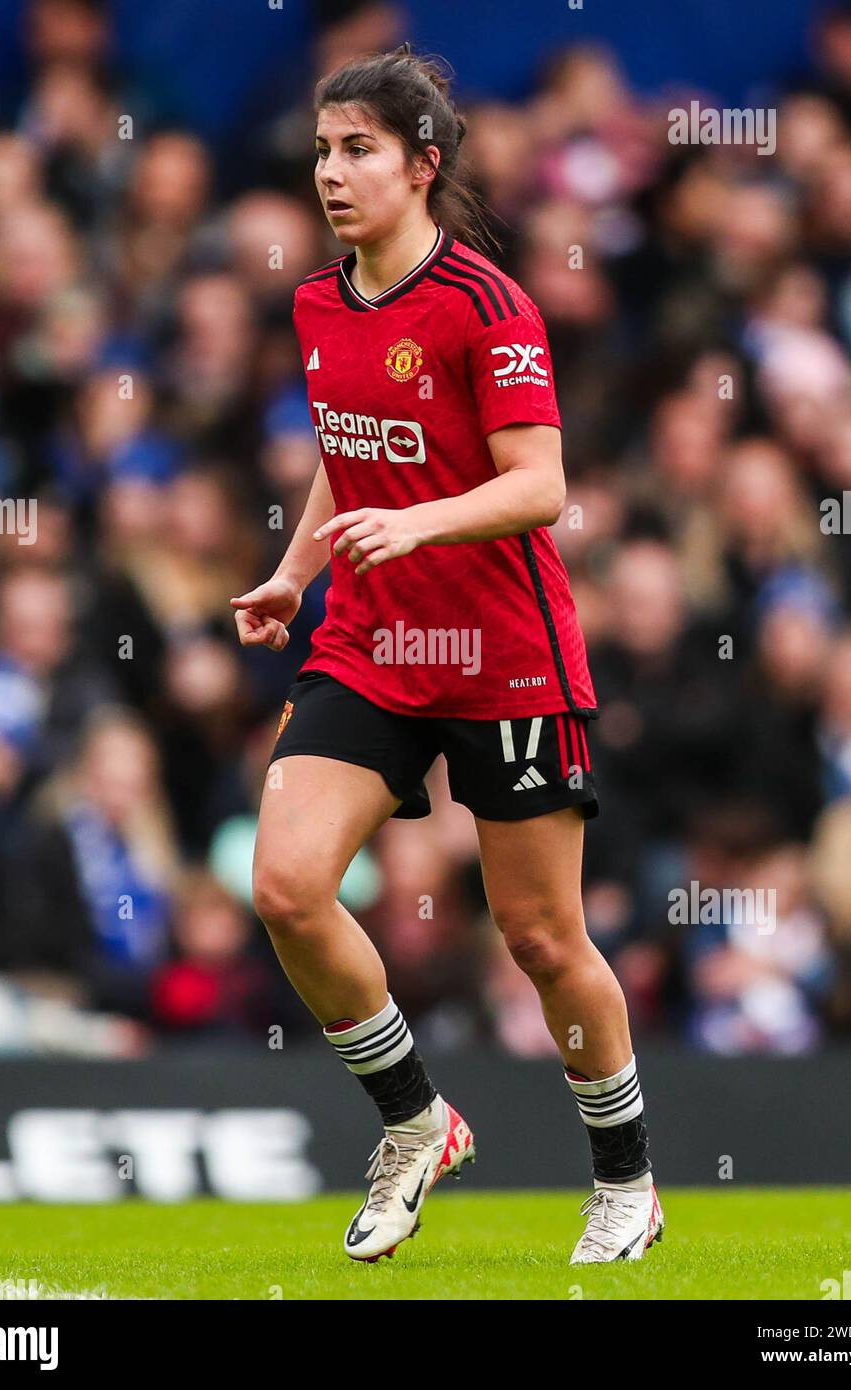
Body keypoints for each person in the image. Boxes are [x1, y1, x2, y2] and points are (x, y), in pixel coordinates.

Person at [231, 43, 662, 1266]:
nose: (331, 172)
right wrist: (296, 570)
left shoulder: (489, 306)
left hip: (502, 650)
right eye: (322, 149)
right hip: (372, 642)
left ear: (423, 165)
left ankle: (625, 1179)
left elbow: (541, 485)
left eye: (358, 149)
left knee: (539, 938)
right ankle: (417, 1121)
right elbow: (351, 450)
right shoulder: (319, 305)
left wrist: (413, 520)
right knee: (285, 886)